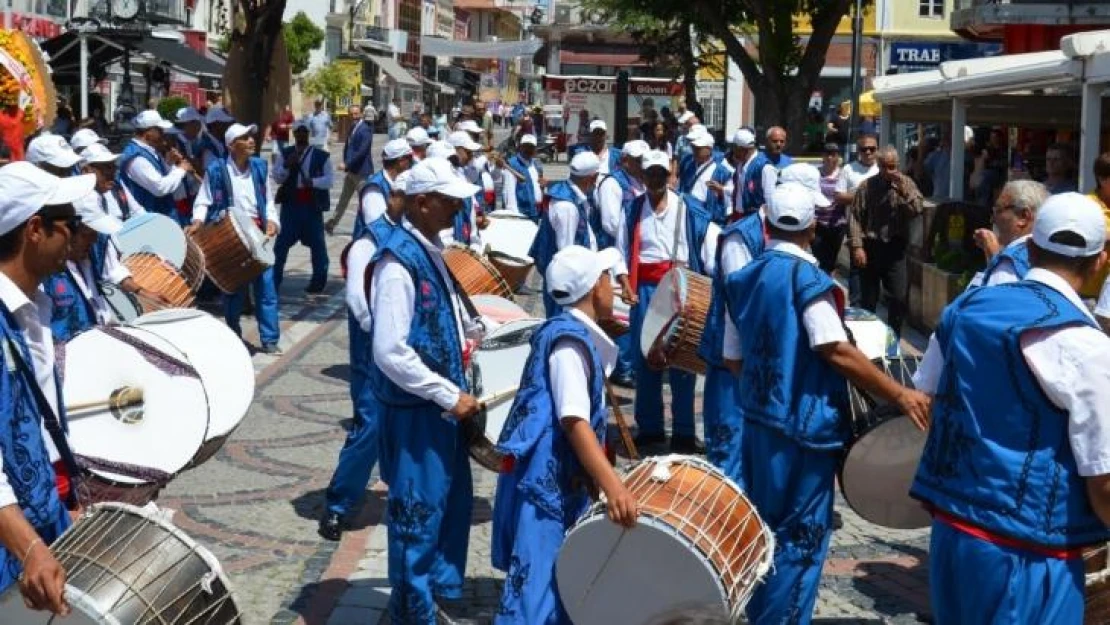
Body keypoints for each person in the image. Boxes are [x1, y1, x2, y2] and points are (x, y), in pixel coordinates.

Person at [725, 181, 930, 625]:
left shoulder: (742, 278)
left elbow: (732, 357)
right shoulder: (809, 280)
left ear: (767, 223)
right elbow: (833, 348)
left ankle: (761, 614)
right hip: (803, 429)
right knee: (800, 539)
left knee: (766, 532)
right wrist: (898, 392)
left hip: (760, 425)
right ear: (813, 227)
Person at [911, 192, 1110, 624]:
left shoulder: (964, 307)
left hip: (953, 529)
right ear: (1100, 262)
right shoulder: (1086, 346)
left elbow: (926, 391)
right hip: (1031, 548)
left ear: (1031, 247)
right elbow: (1105, 484)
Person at [369, 158, 491, 624]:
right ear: (422, 203)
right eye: (449, 200)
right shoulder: (397, 262)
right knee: (416, 520)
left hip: (439, 410)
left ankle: (433, 603)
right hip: (417, 412)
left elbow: (441, 319)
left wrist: (475, 335)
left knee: (448, 508)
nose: (458, 207)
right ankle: (411, 613)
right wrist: (446, 394)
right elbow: (390, 351)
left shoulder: (432, 251)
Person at [491, 245, 637, 624]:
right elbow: (574, 420)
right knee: (537, 594)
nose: (613, 287)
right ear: (594, 288)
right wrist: (613, 486)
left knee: (560, 583)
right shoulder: (569, 344)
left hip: (558, 486)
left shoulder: (565, 331)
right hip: (547, 492)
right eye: (607, 278)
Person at [0, 162, 98, 613]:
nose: (77, 234)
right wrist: (30, 548)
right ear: (35, 229)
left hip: (40, 527)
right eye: (70, 224)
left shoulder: (35, 304)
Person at [711, 164, 830, 468]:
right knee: (732, 447)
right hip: (737, 359)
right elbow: (740, 306)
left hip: (765, 365)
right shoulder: (742, 237)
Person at [318, 169, 410, 541]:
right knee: (369, 426)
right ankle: (338, 506)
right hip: (374, 354)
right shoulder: (366, 243)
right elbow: (357, 300)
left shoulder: (416, 238)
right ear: (396, 198)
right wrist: (385, 331)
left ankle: (409, 498)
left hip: (408, 352)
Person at [619, 150, 718, 454]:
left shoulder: (688, 209)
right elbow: (620, 250)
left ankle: (684, 432)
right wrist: (625, 284)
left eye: (661, 174)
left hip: (681, 287)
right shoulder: (634, 209)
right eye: (650, 174)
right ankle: (649, 428)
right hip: (646, 288)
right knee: (646, 357)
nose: (655, 180)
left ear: (670, 174)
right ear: (643, 175)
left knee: (683, 357)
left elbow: (707, 249)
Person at [190, 124, 282, 354]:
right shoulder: (217, 170)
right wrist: (198, 221)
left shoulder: (260, 167)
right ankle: (232, 333)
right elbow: (203, 200)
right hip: (231, 233)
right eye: (244, 138)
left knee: (266, 288)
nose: (251, 140)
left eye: (251, 136)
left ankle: (270, 339)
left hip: (258, 232)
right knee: (233, 290)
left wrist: (273, 221)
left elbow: (268, 200)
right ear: (231, 145)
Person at [530, 152, 632, 318]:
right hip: (568, 288)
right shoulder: (566, 207)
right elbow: (566, 256)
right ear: (592, 178)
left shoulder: (577, 197)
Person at [42, 194, 152, 342]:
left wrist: (142, 292)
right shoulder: (47, 273)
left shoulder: (92, 251)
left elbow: (113, 270)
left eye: (96, 234)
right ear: (69, 231)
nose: (94, 240)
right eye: (88, 233)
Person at [847, 146, 923, 339]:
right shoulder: (867, 186)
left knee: (898, 297)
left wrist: (903, 191)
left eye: (893, 166)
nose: (890, 171)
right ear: (879, 166)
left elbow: (917, 209)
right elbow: (855, 217)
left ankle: (893, 338)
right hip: (872, 247)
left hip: (895, 248)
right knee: (868, 299)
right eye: (886, 167)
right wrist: (857, 246)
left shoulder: (906, 183)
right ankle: (866, 339)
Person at [594, 139, 649, 388]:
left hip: (634, 252)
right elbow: (610, 222)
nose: (642, 165)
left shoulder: (640, 182)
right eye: (638, 161)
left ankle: (632, 361)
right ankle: (622, 366)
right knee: (621, 312)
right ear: (625, 160)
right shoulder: (613, 184)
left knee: (633, 310)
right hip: (616, 255)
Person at [272, 119, 333, 294]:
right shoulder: (286, 153)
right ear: (294, 134)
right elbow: (277, 177)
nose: (300, 134)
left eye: (303, 132)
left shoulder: (320, 156)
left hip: (311, 206)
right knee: (281, 245)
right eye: (297, 132)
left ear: (308, 134)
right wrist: (286, 165)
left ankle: (318, 282)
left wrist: (312, 182)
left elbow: (329, 180)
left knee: (318, 245)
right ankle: (274, 280)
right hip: (291, 206)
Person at [966, 180, 1048, 289]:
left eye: (998, 210)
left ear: (1023, 216)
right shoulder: (1051, 256)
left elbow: (995, 302)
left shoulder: (1009, 263)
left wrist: (996, 260)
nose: (992, 219)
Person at [116, 111, 192, 222]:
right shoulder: (136, 158)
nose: (163, 134)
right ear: (148, 133)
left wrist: (169, 164)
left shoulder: (149, 152)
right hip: (148, 223)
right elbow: (159, 188)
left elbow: (160, 177)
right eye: (160, 130)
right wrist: (181, 169)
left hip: (160, 218)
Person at [328, 106, 376, 236]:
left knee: (366, 201)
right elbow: (348, 147)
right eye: (352, 114)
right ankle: (332, 223)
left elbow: (362, 151)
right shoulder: (353, 127)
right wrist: (346, 162)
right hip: (351, 172)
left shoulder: (365, 129)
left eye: (356, 114)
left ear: (360, 114)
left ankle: (371, 227)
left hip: (362, 172)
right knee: (343, 199)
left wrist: (347, 164)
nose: (354, 116)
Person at [357, 139, 413, 241]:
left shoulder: (400, 182)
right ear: (401, 161)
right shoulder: (374, 189)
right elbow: (377, 229)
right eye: (410, 158)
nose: (412, 163)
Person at [80, 143, 146, 221]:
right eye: (107, 167)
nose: (113, 171)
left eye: (114, 166)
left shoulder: (116, 186)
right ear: (86, 171)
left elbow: (137, 211)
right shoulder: (82, 202)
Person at [742, 126, 792, 216]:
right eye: (775, 141)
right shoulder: (757, 161)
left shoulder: (788, 162)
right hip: (759, 212)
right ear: (767, 141)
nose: (778, 144)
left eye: (782, 141)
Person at [812, 143, 844, 273]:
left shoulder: (843, 174)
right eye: (828, 154)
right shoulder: (815, 173)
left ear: (838, 157)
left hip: (838, 223)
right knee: (819, 258)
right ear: (823, 156)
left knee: (831, 259)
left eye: (834, 155)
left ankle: (828, 286)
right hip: (818, 223)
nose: (830, 158)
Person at [502, 134, 545, 221]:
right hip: (522, 214)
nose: (528, 149)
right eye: (526, 146)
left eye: (531, 147)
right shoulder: (512, 165)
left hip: (536, 211)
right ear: (520, 147)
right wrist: (513, 215)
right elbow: (509, 192)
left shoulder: (536, 164)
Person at [725, 128, 759, 219]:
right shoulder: (740, 164)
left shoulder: (763, 167)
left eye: (734, 147)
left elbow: (769, 199)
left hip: (753, 219)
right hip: (739, 216)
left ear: (742, 149)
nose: (732, 151)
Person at [678, 127, 717, 204]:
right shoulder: (688, 161)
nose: (694, 150)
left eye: (698, 148)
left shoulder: (720, 168)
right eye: (693, 147)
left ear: (709, 149)